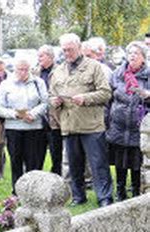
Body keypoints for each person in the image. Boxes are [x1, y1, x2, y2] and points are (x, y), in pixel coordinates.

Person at [49, 33, 113, 207]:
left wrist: (86, 98)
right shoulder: (58, 71)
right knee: (74, 166)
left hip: (91, 125)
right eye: (64, 50)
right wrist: (55, 101)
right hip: (69, 125)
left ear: (79, 47)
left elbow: (106, 93)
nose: (67, 53)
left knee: (98, 164)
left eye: (70, 49)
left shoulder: (94, 67)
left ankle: (104, 197)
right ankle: (78, 197)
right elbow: (51, 95)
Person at [107, 41, 150, 201]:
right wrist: (108, 122)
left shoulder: (148, 74)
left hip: (139, 126)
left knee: (137, 161)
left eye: (136, 53)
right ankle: (120, 192)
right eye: (130, 52)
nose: (132, 56)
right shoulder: (117, 73)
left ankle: (136, 192)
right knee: (120, 162)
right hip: (118, 125)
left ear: (143, 58)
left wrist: (148, 95)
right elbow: (109, 99)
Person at [0, 59, 48, 193]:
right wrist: (15, 114)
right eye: (20, 69)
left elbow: (44, 102)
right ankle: (17, 191)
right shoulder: (6, 84)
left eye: (26, 69)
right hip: (14, 128)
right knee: (15, 160)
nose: (23, 72)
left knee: (33, 161)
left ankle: (33, 191)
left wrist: (33, 114)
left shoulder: (38, 82)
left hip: (34, 128)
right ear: (14, 69)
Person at [35, 44, 62, 175]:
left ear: (50, 56)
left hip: (55, 119)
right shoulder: (35, 72)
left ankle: (56, 181)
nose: (38, 58)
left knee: (56, 154)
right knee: (36, 155)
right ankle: (35, 180)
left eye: (41, 55)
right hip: (38, 119)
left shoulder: (61, 70)